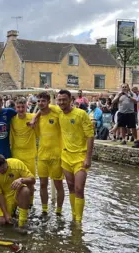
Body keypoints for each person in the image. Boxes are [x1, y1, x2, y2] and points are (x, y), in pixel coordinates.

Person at [34, 90, 94, 223]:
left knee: (79, 188)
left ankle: (78, 221)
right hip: (66, 156)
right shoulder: (59, 112)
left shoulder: (80, 113)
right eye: (59, 100)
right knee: (71, 186)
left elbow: (90, 135)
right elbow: (42, 108)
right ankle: (73, 215)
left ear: (70, 100)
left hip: (80, 156)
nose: (61, 102)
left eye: (64, 100)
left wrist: (88, 157)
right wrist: (34, 118)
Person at [0, 155, 35, 232]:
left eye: (4, 169)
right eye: (0, 171)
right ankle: (12, 213)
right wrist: (5, 213)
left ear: (6, 163)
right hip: (6, 196)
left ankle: (22, 223)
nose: (2, 172)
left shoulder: (16, 163)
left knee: (25, 190)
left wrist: (21, 180)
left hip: (18, 192)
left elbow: (33, 180)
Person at [35, 92, 65, 217]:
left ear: (48, 102)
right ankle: (44, 209)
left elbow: (61, 109)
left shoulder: (56, 113)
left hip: (56, 155)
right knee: (42, 184)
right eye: (39, 101)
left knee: (58, 184)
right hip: (42, 155)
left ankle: (58, 210)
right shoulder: (37, 118)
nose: (41, 103)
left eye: (43, 101)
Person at [10, 97, 36, 208]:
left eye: (23, 107)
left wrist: (36, 119)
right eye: (18, 107)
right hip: (16, 155)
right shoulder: (12, 120)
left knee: (30, 181)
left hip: (29, 155)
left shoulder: (32, 118)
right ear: (15, 108)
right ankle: (15, 203)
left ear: (27, 107)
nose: (21, 109)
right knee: (16, 181)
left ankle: (29, 203)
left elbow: (46, 110)